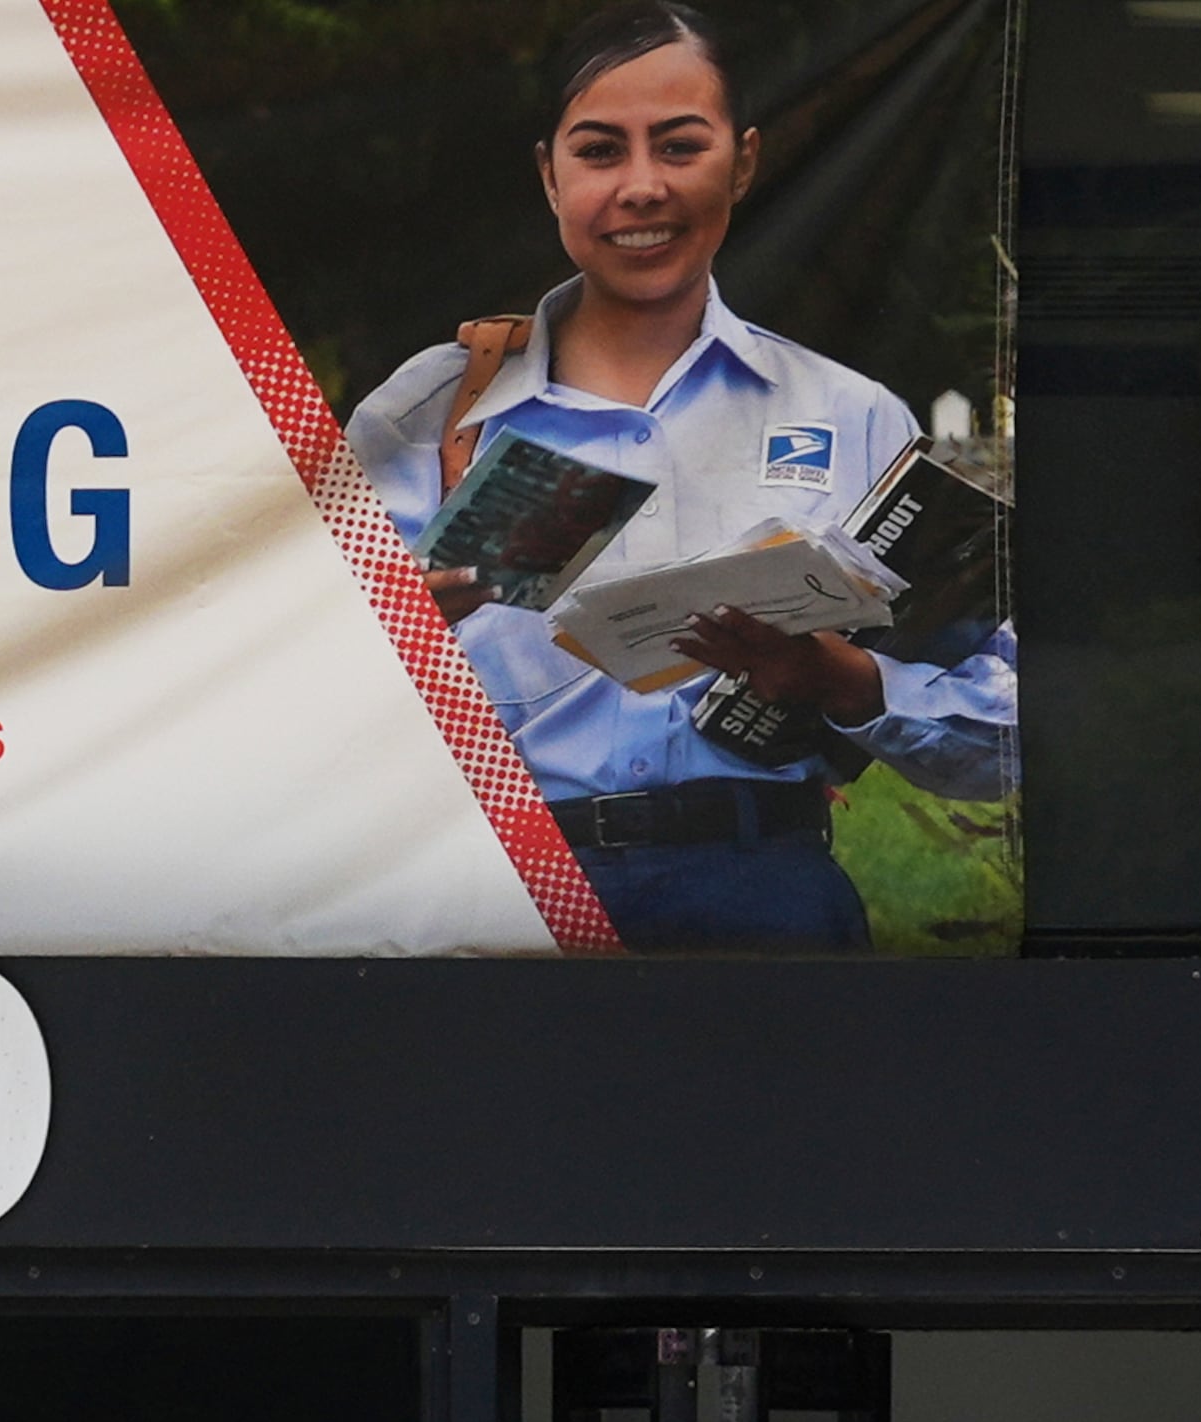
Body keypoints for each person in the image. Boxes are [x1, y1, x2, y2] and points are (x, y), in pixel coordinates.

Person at [346, 0, 1014, 953]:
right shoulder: (430, 411)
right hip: (502, 897)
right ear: (549, 175)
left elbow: (1006, 732)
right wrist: (396, 633)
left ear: (743, 161)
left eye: (679, 145)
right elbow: (291, 705)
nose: (642, 187)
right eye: (600, 151)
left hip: (768, 895)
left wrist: (849, 681)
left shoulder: (850, 414)